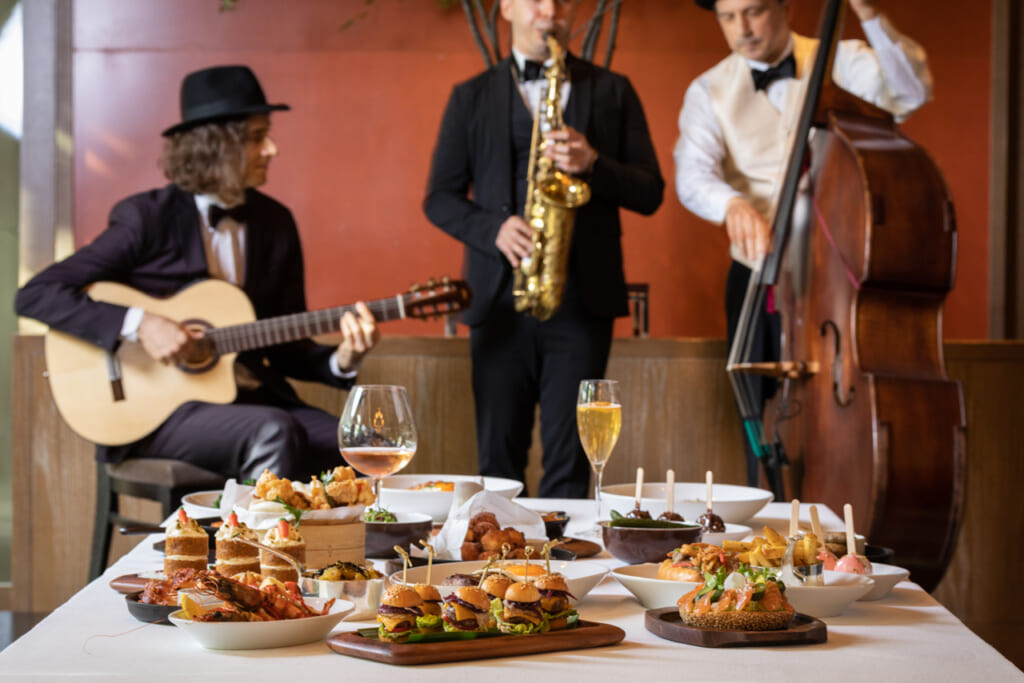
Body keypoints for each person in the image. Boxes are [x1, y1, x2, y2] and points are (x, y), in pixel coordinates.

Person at [15, 65, 379, 482]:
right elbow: (36, 294)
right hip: (159, 415)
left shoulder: (275, 223)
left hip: (251, 398)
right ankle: (253, 547)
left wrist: (343, 359)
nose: (272, 149)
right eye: (258, 137)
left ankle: (341, 549)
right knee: (275, 431)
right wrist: (140, 324)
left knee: (365, 445)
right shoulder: (147, 218)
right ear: (216, 146)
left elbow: (286, 347)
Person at [674, 0, 932, 485]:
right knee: (756, 403)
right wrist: (732, 204)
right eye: (727, 17)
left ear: (784, 6)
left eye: (752, 12)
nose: (741, 29)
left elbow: (910, 92)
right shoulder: (708, 89)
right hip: (758, 273)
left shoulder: (841, 58)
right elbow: (692, 176)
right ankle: (763, 512)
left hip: (839, 272)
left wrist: (869, 14)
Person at [424, 0, 664, 497]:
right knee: (496, 463)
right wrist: (492, 228)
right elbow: (438, 198)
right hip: (498, 304)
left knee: (571, 463)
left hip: (582, 302)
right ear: (505, 7)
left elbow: (651, 192)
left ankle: (563, 571)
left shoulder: (614, 90)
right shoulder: (469, 96)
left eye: (559, 0)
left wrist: (593, 162)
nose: (548, 10)